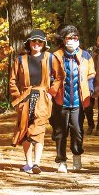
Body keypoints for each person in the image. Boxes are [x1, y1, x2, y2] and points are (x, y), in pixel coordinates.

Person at [9, 30, 62, 174]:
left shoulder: (50, 58)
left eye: (39, 41)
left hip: (42, 98)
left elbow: (59, 77)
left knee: (39, 129)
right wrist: (18, 98)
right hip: (25, 98)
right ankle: (29, 163)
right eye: (34, 41)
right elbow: (12, 81)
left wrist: (51, 93)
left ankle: (37, 163)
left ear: (44, 43)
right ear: (29, 43)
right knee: (25, 130)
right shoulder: (20, 60)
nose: (36, 44)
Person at [51, 26, 96, 173]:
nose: (73, 40)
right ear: (63, 40)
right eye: (70, 38)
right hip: (60, 100)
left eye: (76, 37)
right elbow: (50, 75)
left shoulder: (86, 56)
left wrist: (90, 89)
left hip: (78, 101)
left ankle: (77, 155)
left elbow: (91, 75)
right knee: (60, 131)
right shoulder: (56, 56)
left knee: (77, 130)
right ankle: (61, 160)